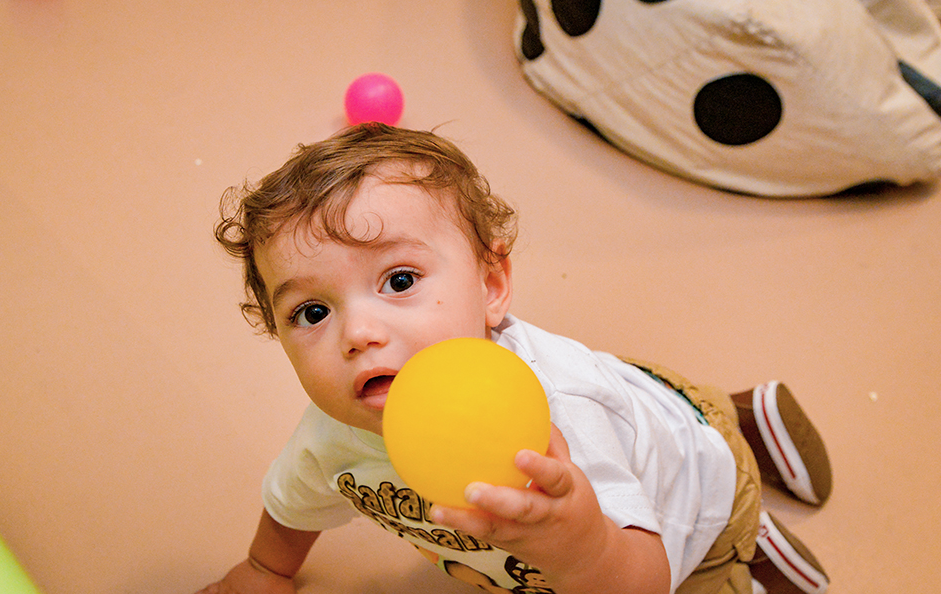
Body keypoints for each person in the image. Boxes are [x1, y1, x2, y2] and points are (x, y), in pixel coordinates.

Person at [197, 123, 833, 594]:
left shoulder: (558, 426)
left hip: (685, 509)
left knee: (699, 511)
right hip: (638, 405)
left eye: (398, 281)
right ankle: (745, 412)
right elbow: (293, 500)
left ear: (491, 285)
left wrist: (582, 550)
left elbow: (640, 581)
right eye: (312, 312)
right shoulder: (336, 428)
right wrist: (264, 570)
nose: (358, 333)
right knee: (649, 411)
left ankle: (750, 534)